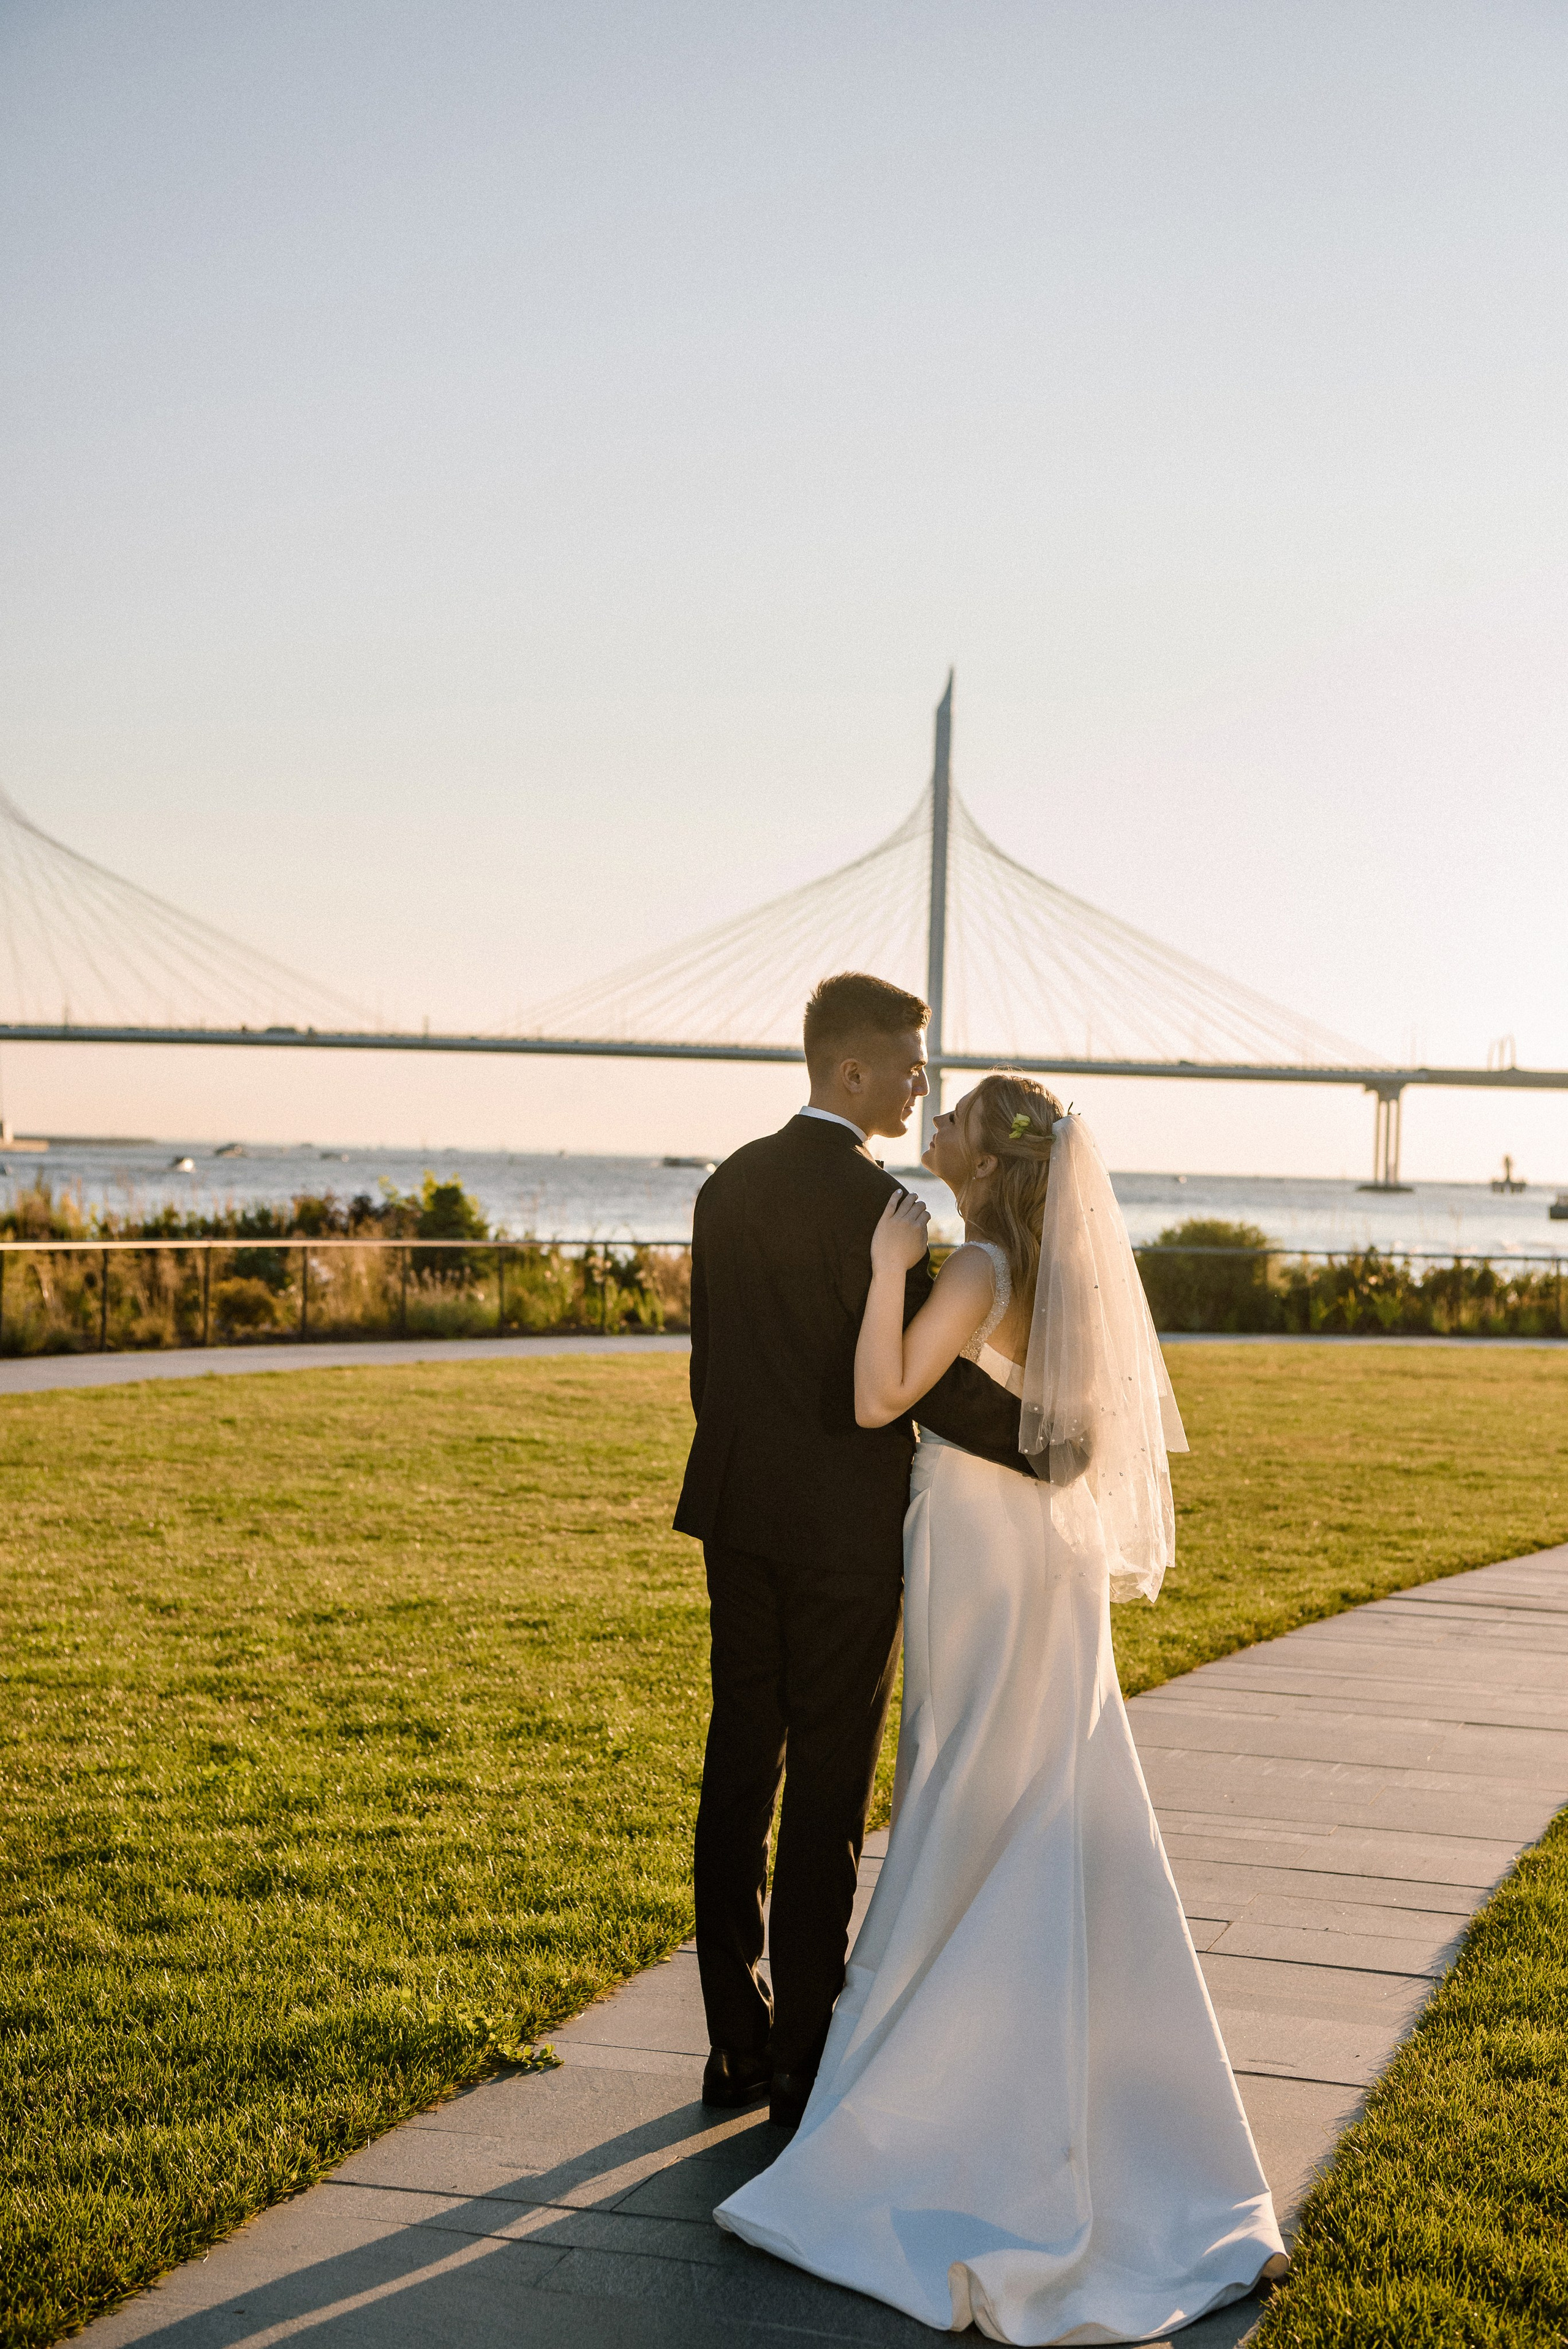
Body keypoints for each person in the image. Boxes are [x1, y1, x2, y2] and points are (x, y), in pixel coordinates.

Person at [715, 1072, 1287, 2343]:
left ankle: (944, 2068)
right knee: (1043, 1769)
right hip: (1045, 1546)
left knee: (960, 1770)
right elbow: (1072, 1428)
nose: (944, 1118)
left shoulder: (968, 1262)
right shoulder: (1059, 1270)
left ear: (983, 1155)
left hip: (974, 1540)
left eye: (960, 1112)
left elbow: (879, 1398)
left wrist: (884, 1265)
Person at [675, 973, 1037, 2130]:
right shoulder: (885, 1213)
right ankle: (798, 2064)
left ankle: (732, 2044)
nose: (921, 1083)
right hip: (842, 1540)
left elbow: (711, 1366)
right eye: (908, 1066)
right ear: (852, 1073)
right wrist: (1054, 1443)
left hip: (737, 1520)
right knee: (828, 1781)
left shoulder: (727, 1184)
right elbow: (918, 1388)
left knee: (740, 1765)